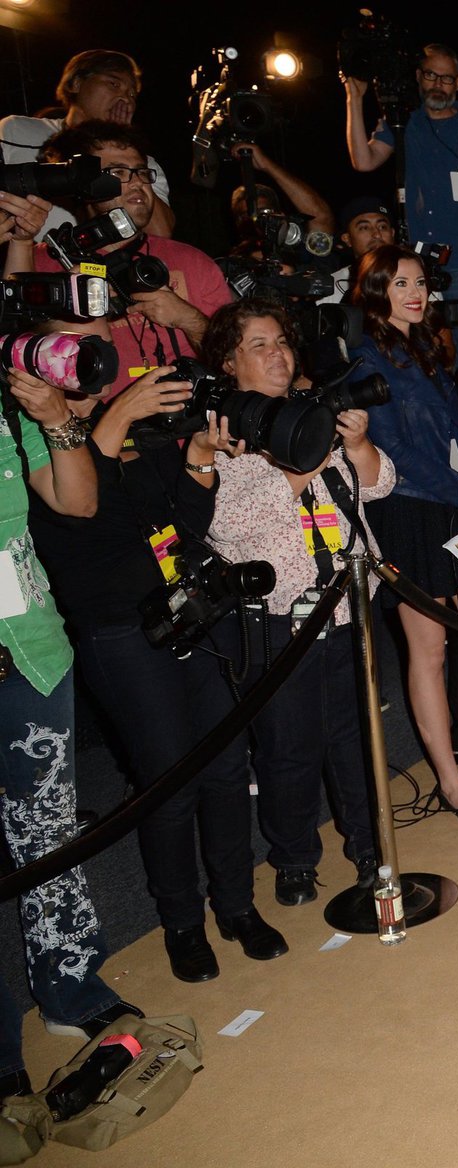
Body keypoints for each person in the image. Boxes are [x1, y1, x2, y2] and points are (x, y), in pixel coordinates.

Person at [28, 359, 289, 984]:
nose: (94, 364)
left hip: (189, 614)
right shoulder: (39, 442)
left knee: (226, 770)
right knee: (169, 785)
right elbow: (79, 520)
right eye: (78, 351)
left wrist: (198, 454)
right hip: (121, 635)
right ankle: (181, 923)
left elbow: (184, 526)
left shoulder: (131, 431)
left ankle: (236, 906)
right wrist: (120, 413)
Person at [200, 299, 391, 905]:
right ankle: (294, 859)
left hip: (349, 603)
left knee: (355, 737)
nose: (277, 354)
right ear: (229, 362)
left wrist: (358, 444)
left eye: (281, 341)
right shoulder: (219, 434)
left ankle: (370, 844)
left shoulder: (313, 408)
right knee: (288, 748)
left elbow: (379, 484)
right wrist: (300, 464)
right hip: (282, 618)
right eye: (258, 345)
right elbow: (224, 524)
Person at [346, 244, 458, 822]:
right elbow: (393, 452)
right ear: (375, 291)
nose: (415, 292)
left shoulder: (426, 349)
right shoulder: (366, 359)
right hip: (408, 512)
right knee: (428, 651)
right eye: (400, 283)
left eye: (420, 282)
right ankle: (450, 780)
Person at [0, 361, 140, 1089]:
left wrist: (56, 417)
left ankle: (70, 987)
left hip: (29, 645)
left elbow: (78, 501)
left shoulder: (8, 397)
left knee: (48, 830)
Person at [4, 122, 232, 401]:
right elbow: (15, 348)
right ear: (81, 184)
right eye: (118, 173)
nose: (137, 182)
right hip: (97, 426)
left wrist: (189, 319)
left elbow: (237, 361)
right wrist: (21, 242)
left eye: (141, 172)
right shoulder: (41, 262)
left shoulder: (193, 261)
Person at [344, 44, 458, 361]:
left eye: (446, 78)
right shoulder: (403, 123)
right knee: (417, 347)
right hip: (414, 263)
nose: (438, 84)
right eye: (432, 75)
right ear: (419, 77)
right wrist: (354, 99)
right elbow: (364, 161)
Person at [0, 49, 175, 238]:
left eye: (132, 94)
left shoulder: (143, 165)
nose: (125, 99)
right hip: (22, 253)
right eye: (114, 84)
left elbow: (161, 232)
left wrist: (120, 142)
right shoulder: (16, 129)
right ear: (76, 83)